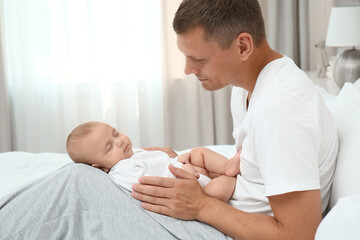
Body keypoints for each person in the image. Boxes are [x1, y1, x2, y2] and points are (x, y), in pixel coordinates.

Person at [131, 0, 339, 239]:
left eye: (199, 59)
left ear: (242, 46)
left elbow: (300, 233)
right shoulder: (245, 87)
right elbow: (252, 176)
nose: (188, 70)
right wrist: (180, 165)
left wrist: (199, 205)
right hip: (227, 215)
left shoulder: (279, 110)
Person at [66, 121, 240, 202]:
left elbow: (161, 162)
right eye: (109, 147)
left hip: (187, 171)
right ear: (101, 167)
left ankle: (227, 165)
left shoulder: (132, 153)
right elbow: (155, 188)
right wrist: (184, 175)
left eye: (115, 133)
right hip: (193, 189)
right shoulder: (123, 171)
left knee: (198, 153)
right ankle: (234, 178)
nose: (119, 141)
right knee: (219, 187)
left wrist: (179, 159)